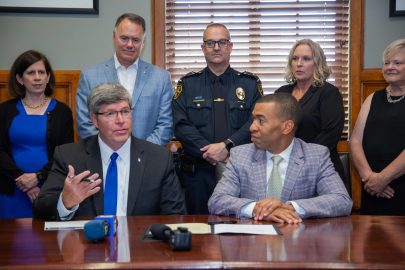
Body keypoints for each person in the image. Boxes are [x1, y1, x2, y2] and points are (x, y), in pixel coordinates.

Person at [34, 83, 185, 220]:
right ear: (94, 120)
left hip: (140, 246)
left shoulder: (158, 158)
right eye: (110, 113)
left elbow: (175, 214)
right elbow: (40, 209)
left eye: (125, 111)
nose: (121, 120)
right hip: (86, 245)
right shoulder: (69, 156)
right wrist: (65, 202)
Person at [208, 93, 352, 223]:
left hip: (299, 244)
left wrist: (289, 207)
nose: (252, 127)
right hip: (252, 244)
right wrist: (257, 209)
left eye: (261, 121)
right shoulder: (241, 155)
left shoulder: (316, 156)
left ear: (287, 127)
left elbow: (341, 200)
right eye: (253, 120)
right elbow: (217, 201)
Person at [172, 23, 263, 214]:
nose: (216, 47)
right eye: (210, 42)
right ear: (203, 48)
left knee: (241, 228)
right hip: (198, 172)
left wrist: (227, 146)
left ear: (230, 46)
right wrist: (210, 152)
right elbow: (180, 125)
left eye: (221, 42)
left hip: (240, 170)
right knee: (198, 231)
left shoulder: (250, 84)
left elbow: (256, 122)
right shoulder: (187, 85)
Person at [76, 13, 173, 146]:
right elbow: (85, 123)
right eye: (124, 38)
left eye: (135, 40)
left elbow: (165, 125)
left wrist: (142, 153)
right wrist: (109, 152)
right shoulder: (89, 76)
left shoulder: (161, 78)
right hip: (104, 160)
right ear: (114, 37)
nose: (129, 44)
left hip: (147, 159)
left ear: (143, 42)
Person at [0, 50, 74, 218]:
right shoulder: (4, 111)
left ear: (48, 77)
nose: (37, 77)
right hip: (12, 189)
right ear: (19, 79)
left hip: (49, 188)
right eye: (31, 72)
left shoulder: (62, 112)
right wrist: (21, 179)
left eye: (42, 72)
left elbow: (65, 154)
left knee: (46, 242)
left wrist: (37, 177)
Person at [275, 39, 346, 191]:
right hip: (284, 167)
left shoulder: (328, 93)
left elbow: (330, 133)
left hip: (320, 169)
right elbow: (273, 128)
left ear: (317, 63)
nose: (299, 63)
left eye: (306, 59)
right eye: (295, 58)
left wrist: (300, 158)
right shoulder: (282, 92)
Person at [350, 39, 405, 215]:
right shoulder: (373, 97)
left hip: (399, 184)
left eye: (397, 63)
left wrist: (383, 178)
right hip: (371, 187)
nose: (390, 67)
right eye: (386, 63)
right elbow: (355, 141)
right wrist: (369, 178)